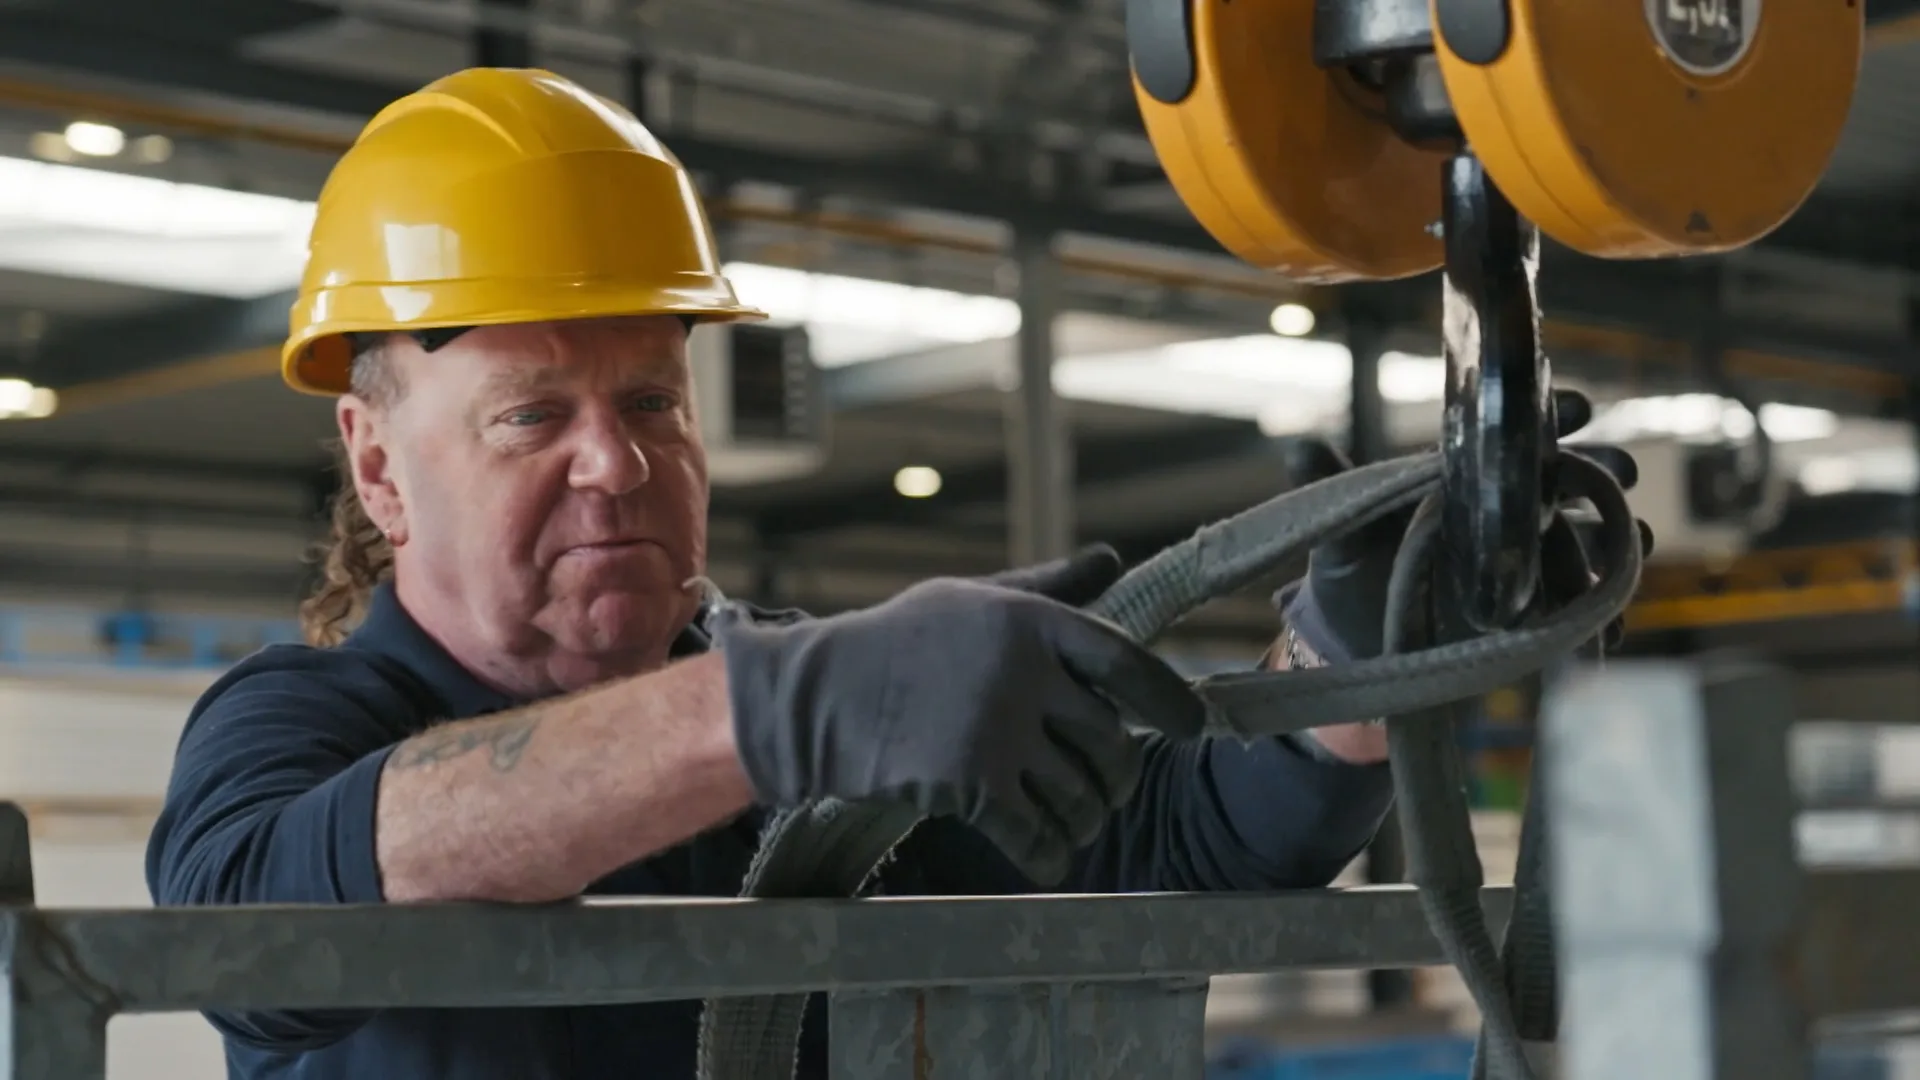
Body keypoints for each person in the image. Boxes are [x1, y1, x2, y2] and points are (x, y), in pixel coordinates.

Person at [145, 67, 1629, 1080]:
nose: (617, 464)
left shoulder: (842, 722)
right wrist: (773, 713)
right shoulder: (297, 727)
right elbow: (259, 921)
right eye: (534, 416)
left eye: (654, 403)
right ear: (380, 463)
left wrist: (1352, 662)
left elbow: (1164, 843)